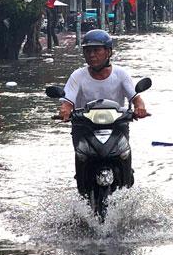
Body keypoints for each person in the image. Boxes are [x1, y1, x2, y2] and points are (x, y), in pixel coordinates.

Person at [59, 30, 148, 192]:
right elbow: (67, 102)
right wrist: (64, 111)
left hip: (116, 126)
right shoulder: (77, 76)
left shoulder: (121, 74)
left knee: (124, 160)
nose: (91, 55)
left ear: (108, 52)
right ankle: (83, 187)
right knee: (82, 162)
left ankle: (126, 181)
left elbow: (136, 98)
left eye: (96, 50)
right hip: (84, 127)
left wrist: (139, 108)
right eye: (87, 51)